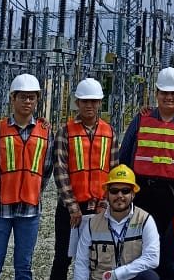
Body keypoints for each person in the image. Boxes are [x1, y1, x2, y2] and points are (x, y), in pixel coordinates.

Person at [120, 67, 174, 237]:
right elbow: (125, 156)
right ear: (157, 94)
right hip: (142, 194)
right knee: (139, 241)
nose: (169, 97)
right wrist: (124, 190)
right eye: (164, 92)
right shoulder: (141, 120)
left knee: (171, 244)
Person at [0, 73, 54, 280]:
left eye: (32, 97)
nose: (27, 101)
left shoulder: (45, 132)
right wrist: (2, 185)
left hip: (30, 209)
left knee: (24, 266)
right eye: (22, 97)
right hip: (0, 208)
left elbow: (46, 169)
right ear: (13, 99)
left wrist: (32, 187)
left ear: (37, 100)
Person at [51, 77, 118, 280]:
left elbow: (113, 171)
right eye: (84, 101)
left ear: (99, 103)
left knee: (97, 260)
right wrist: (73, 207)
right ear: (77, 103)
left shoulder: (109, 131)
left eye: (93, 101)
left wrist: (105, 203)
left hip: (99, 208)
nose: (89, 105)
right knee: (63, 258)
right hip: (70, 209)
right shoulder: (65, 131)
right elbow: (60, 171)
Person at [72, 164, 160, 280]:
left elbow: (152, 258)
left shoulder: (145, 220)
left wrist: (118, 274)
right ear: (107, 194)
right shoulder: (92, 224)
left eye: (125, 191)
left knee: (150, 277)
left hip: (129, 278)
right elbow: (81, 263)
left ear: (133, 194)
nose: (120, 196)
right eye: (114, 191)